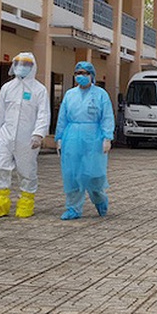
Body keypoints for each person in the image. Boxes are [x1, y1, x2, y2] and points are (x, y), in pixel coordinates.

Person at [0, 52, 50, 218]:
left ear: (33, 67)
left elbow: (43, 114)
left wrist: (39, 134)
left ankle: (26, 203)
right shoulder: (7, 88)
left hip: (27, 138)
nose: (22, 67)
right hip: (5, 135)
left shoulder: (39, 90)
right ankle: (0, 204)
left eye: (26, 64)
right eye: (19, 63)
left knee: (26, 170)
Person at [55, 61, 114, 220]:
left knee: (94, 174)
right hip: (71, 137)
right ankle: (73, 208)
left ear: (92, 75)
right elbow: (62, 118)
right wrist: (59, 137)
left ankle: (99, 199)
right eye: (78, 73)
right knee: (72, 173)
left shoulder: (100, 94)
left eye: (85, 73)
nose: (81, 76)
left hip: (94, 138)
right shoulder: (70, 95)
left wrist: (107, 137)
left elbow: (107, 117)